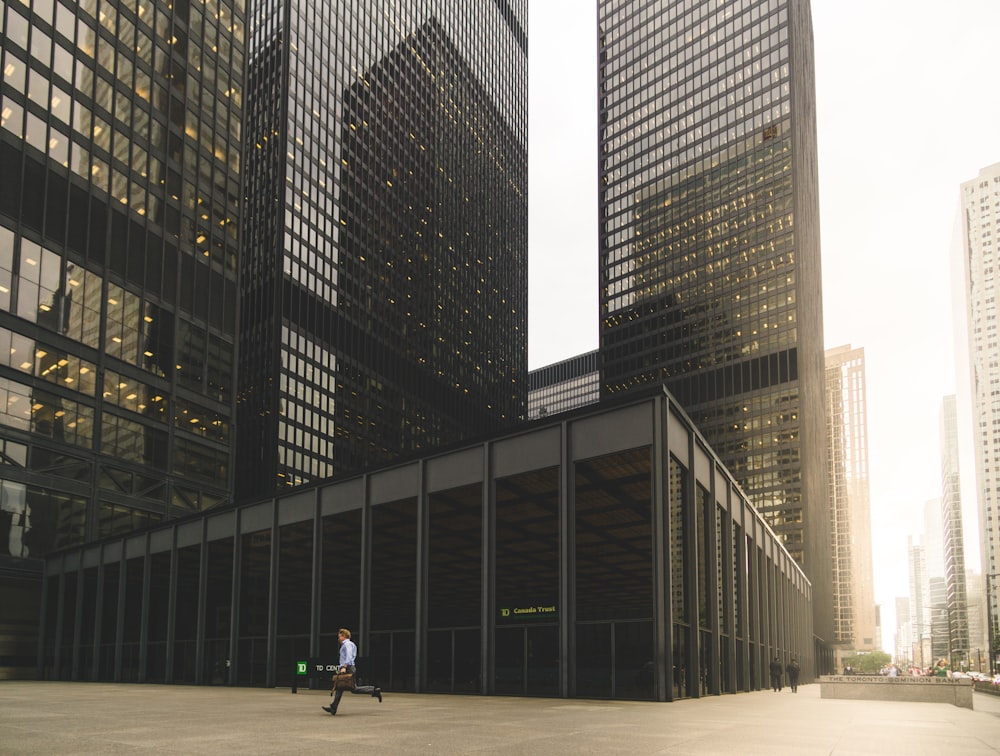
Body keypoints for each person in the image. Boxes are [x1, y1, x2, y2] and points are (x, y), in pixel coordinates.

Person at [322, 628, 383, 715]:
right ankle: (333, 707)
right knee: (339, 687)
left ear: (344, 636)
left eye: (339, 636)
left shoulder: (347, 644)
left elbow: (349, 656)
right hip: (348, 667)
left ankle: (374, 690)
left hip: (348, 667)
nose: (338, 638)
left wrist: (344, 666)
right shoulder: (349, 644)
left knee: (353, 689)